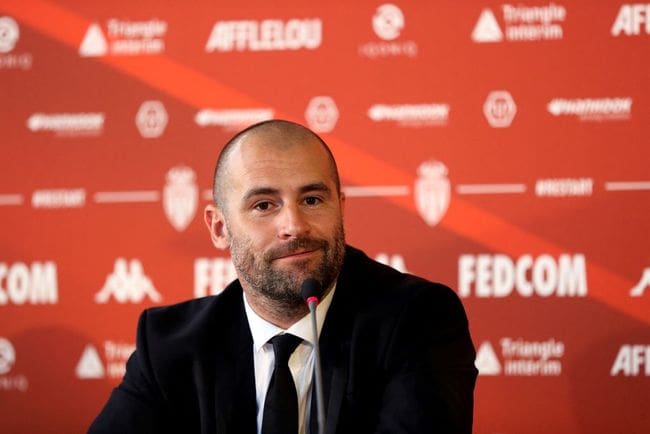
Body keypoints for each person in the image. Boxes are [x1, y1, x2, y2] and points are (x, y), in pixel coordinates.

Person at [88, 119, 477, 434]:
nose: (293, 225)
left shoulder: (418, 319)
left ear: (340, 208)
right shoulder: (169, 345)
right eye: (263, 205)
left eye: (312, 200)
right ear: (219, 227)